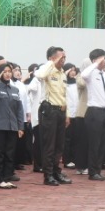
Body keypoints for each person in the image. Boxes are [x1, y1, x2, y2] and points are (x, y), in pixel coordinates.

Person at [33, 47, 71, 186]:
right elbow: (39, 75)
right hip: (49, 110)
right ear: (52, 58)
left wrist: (67, 114)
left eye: (64, 57)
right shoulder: (46, 70)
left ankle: (56, 172)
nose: (63, 60)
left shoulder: (62, 74)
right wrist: (51, 63)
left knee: (59, 145)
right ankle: (48, 175)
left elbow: (64, 96)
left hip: (61, 111)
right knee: (49, 145)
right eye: (60, 57)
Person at [81, 49, 105, 182]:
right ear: (95, 60)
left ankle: (98, 170)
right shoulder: (91, 73)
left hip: (104, 112)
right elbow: (83, 74)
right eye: (102, 59)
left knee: (103, 143)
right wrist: (95, 64)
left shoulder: (104, 75)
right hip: (94, 112)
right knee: (94, 144)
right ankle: (92, 172)